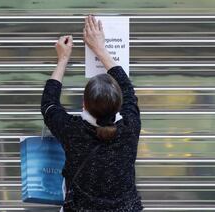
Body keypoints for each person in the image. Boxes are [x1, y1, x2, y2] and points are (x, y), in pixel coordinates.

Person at [41, 15, 143, 211]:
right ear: (119, 104)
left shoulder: (73, 131)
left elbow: (49, 105)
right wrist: (100, 49)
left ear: (83, 104)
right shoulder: (130, 127)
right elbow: (128, 89)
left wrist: (63, 59)